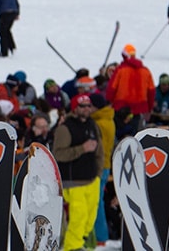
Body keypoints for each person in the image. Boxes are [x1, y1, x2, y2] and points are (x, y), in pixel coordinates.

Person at [53, 94, 102, 251]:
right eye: (83, 106)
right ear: (75, 108)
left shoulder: (93, 124)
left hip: (92, 178)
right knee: (78, 216)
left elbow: (99, 151)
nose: (87, 109)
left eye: (88, 105)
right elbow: (59, 154)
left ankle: (81, 241)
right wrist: (82, 149)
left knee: (90, 218)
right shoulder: (65, 128)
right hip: (73, 182)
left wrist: (98, 174)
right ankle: (72, 247)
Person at [106, 45, 156, 117]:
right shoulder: (146, 71)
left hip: (120, 107)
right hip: (140, 109)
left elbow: (112, 88)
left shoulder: (120, 70)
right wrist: (149, 108)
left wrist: (108, 103)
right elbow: (151, 91)